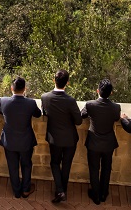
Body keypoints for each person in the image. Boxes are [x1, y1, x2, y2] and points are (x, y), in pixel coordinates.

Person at [40, 69, 82, 204]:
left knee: (55, 163)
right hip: (70, 139)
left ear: (54, 80)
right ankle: (63, 190)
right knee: (67, 164)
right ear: (67, 83)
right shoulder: (70, 100)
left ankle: (60, 190)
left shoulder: (45, 97)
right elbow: (79, 121)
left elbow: (45, 113)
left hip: (54, 138)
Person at [0, 76, 42, 199]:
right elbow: (38, 114)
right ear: (25, 89)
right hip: (25, 140)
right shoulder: (30, 103)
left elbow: (1, 112)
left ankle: (16, 191)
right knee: (26, 165)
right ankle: (26, 189)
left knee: (12, 166)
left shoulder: (3, 101)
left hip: (9, 140)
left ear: (11, 88)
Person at [81, 78, 121, 205]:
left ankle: (96, 195)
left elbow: (82, 115)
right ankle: (104, 193)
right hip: (108, 142)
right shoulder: (116, 107)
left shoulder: (90, 105)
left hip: (94, 142)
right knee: (106, 168)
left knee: (94, 169)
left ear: (97, 90)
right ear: (111, 93)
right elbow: (116, 118)